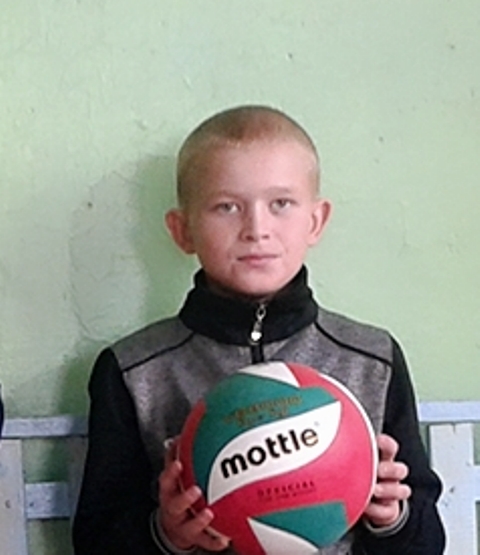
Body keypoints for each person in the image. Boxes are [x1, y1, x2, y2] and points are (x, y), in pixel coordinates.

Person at [72, 105, 445, 555]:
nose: (256, 229)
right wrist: (166, 535)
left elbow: (426, 542)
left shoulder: (372, 359)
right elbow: (96, 542)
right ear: (182, 230)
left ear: (315, 221)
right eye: (226, 207)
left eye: (281, 204)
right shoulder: (132, 370)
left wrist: (393, 518)